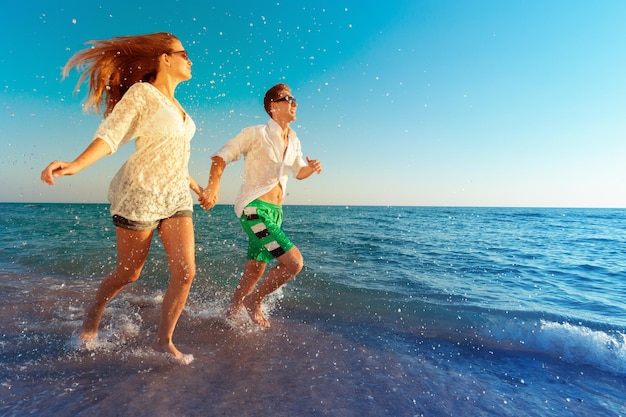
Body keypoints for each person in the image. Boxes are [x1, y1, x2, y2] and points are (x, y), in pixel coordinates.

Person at [41, 32, 198, 364]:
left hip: (175, 196)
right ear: (164, 59)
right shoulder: (143, 93)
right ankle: (93, 313)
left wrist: (197, 188)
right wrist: (75, 165)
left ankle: (163, 341)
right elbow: (111, 135)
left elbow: (171, 156)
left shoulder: (179, 107)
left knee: (186, 272)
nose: (190, 59)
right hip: (140, 193)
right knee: (129, 273)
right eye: (183, 53)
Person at [199, 83, 322, 328]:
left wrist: (312, 168)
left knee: (255, 269)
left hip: (276, 213)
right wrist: (212, 188)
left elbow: (298, 172)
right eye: (288, 98)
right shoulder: (255, 133)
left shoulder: (294, 140)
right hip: (254, 210)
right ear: (273, 106)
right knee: (294, 263)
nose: (294, 103)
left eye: (294, 98)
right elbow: (220, 156)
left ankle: (229, 316)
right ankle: (254, 301)